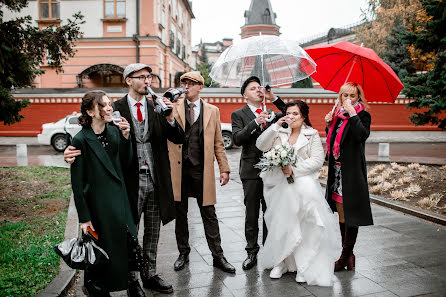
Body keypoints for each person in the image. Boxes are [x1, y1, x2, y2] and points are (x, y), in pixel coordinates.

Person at [65, 63, 184, 296]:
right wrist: (68, 153)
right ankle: (131, 281)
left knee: (153, 231)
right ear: (129, 80)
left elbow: (178, 136)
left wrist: (169, 117)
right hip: (126, 183)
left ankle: (149, 274)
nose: (147, 81)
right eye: (142, 77)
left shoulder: (157, 106)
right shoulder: (113, 108)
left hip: (156, 179)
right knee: (128, 233)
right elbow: (93, 139)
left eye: (149, 77)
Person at [256, 100, 341, 286]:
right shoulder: (279, 131)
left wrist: (294, 169)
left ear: (303, 116)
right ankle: (281, 261)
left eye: (295, 114)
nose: (291, 117)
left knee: (304, 224)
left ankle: (304, 265)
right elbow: (261, 145)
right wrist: (275, 126)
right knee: (280, 223)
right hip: (278, 186)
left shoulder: (311, 135)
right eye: (288, 113)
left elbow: (317, 161)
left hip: (303, 184)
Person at [70, 90, 138, 295]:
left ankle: (122, 285)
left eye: (109, 104)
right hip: (97, 207)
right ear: (90, 111)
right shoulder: (81, 140)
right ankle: (96, 288)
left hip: (119, 203)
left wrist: (126, 137)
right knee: (99, 253)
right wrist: (84, 218)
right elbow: (77, 183)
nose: (110, 108)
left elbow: (125, 165)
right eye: (103, 105)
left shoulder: (115, 131)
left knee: (122, 250)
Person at [168, 71, 235, 274]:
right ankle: (183, 253)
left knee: (209, 213)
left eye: (190, 83)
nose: (186, 87)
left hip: (201, 169)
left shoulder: (212, 110)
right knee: (180, 214)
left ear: (200, 87)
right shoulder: (172, 107)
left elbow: (218, 142)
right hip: (179, 169)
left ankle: (218, 256)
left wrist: (224, 168)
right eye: (183, 83)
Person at [230, 76, 286, 270]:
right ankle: (251, 253)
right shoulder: (238, 114)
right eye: (253, 88)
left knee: (270, 212)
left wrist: (274, 97)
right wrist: (255, 122)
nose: (258, 90)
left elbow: (292, 114)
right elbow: (237, 139)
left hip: (273, 170)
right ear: (245, 95)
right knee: (252, 213)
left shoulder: (272, 113)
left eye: (260, 88)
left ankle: (270, 251)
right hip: (251, 170)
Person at [324, 82, 373, 272]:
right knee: (342, 212)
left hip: (351, 173)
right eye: (344, 95)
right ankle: (349, 255)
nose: (347, 99)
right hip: (336, 172)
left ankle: (344, 255)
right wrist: (329, 124)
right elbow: (334, 141)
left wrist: (352, 113)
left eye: (352, 95)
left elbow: (362, 135)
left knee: (351, 213)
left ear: (358, 97)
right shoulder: (337, 116)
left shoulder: (362, 115)